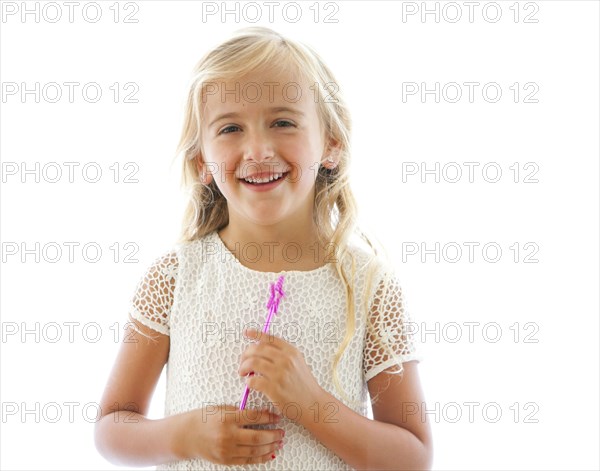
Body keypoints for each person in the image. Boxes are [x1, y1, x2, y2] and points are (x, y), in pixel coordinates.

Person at [94, 26, 433, 470]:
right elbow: (111, 427)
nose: (258, 149)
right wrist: (185, 434)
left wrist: (311, 405)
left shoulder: (369, 284)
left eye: (283, 122)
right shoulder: (175, 278)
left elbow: (413, 457)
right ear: (203, 163)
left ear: (331, 144)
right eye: (231, 128)